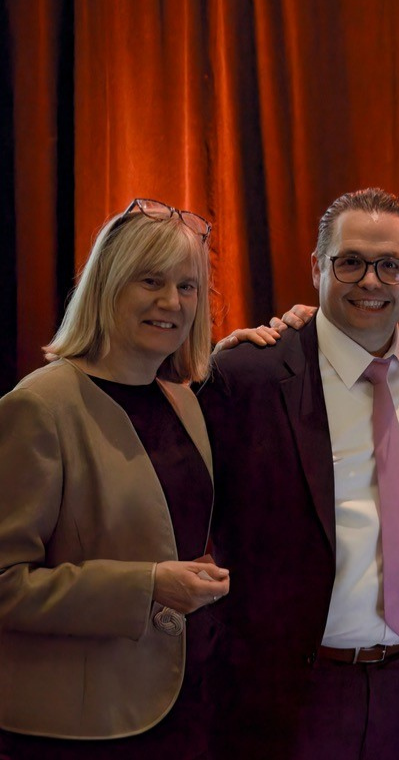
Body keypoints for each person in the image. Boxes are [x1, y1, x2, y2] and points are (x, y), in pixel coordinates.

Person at [197, 188, 399, 758]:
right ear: (317, 268)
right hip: (292, 691)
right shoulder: (248, 378)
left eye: (390, 265)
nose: (371, 281)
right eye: (350, 262)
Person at [0, 199, 229, 758]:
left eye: (187, 286)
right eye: (150, 281)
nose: (171, 302)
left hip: (187, 708)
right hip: (82, 728)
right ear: (106, 285)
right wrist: (147, 586)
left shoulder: (183, 402)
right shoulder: (39, 406)